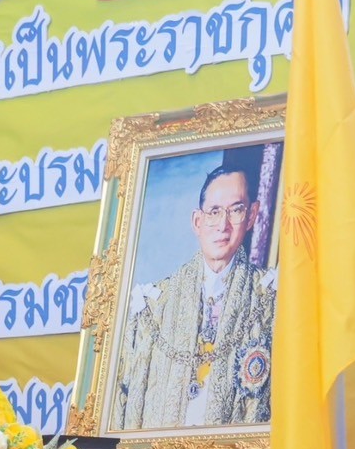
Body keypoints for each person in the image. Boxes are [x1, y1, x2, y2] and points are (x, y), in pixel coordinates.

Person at [117, 164, 277, 430]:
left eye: (236, 210)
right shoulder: (152, 305)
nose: (223, 225)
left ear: (251, 216)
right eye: (214, 212)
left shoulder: (271, 299)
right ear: (197, 222)